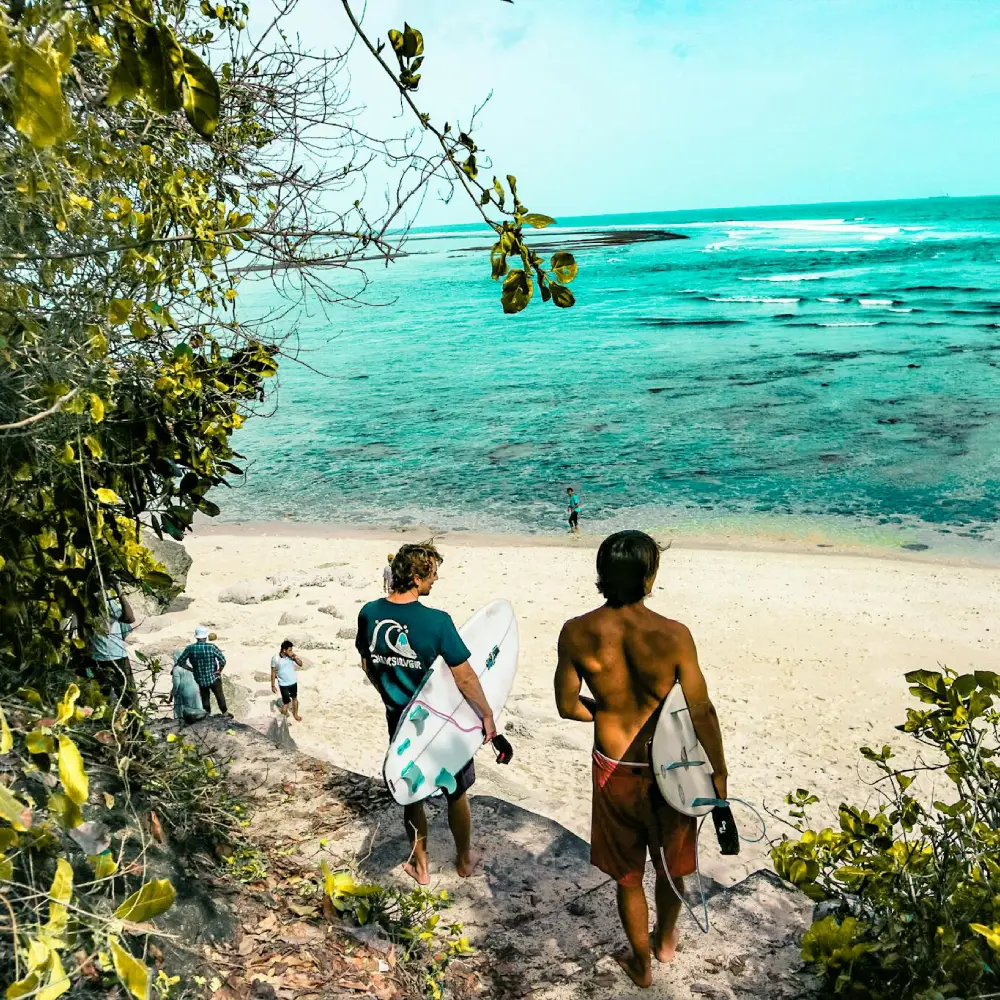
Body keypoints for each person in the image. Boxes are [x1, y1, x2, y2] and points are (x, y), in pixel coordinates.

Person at [554, 530, 729, 989]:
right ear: (650, 575)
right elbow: (701, 710)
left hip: (614, 767)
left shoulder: (576, 631)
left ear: (602, 574)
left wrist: (606, 710)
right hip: (673, 766)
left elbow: (566, 705)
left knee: (629, 876)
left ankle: (641, 964)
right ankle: (666, 942)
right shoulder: (673, 635)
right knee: (670, 865)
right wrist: (720, 773)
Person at [356, 542, 496, 885]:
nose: (436, 580)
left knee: (412, 790)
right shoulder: (437, 622)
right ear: (417, 578)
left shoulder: (369, 613)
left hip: (400, 720)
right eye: (433, 574)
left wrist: (388, 695)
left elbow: (366, 662)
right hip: (442, 723)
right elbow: (464, 676)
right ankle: (464, 860)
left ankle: (420, 867)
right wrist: (487, 715)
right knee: (456, 791)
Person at [89, 588, 137, 708]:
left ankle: (110, 720)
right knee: (128, 696)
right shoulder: (107, 604)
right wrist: (120, 593)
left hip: (97, 659)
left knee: (103, 698)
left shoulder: (84, 605)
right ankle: (133, 723)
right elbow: (130, 618)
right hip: (116, 656)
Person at [175, 626, 231, 718]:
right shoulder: (211, 647)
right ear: (206, 637)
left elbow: (180, 662)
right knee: (219, 695)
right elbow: (223, 661)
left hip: (200, 678)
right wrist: (219, 671)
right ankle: (225, 713)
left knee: (205, 697)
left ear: (196, 637)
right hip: (213, 677)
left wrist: (191, 669)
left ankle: (207, 715)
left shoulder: (190, 648)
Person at [168, 651, 208, 724]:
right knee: (197, 708)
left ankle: (183, 724)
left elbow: (176, 684)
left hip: (183, 692)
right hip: (195, 690)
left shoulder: (176, 669)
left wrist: (172, 695)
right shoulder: (192, 666)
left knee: (183, 711)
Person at [271, 639, 303, 721]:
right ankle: (283, 720)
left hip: (293, 682)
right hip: (283, 684)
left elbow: (300, 664)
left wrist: (295, 657)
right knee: (286, 703)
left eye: (291, 650)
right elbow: (273, 672)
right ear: (284, 650)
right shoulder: (275, 658)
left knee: (295, 698)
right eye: (289, 650)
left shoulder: (291, 657)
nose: (291, 651)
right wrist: (273, 685)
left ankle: (295, 715)